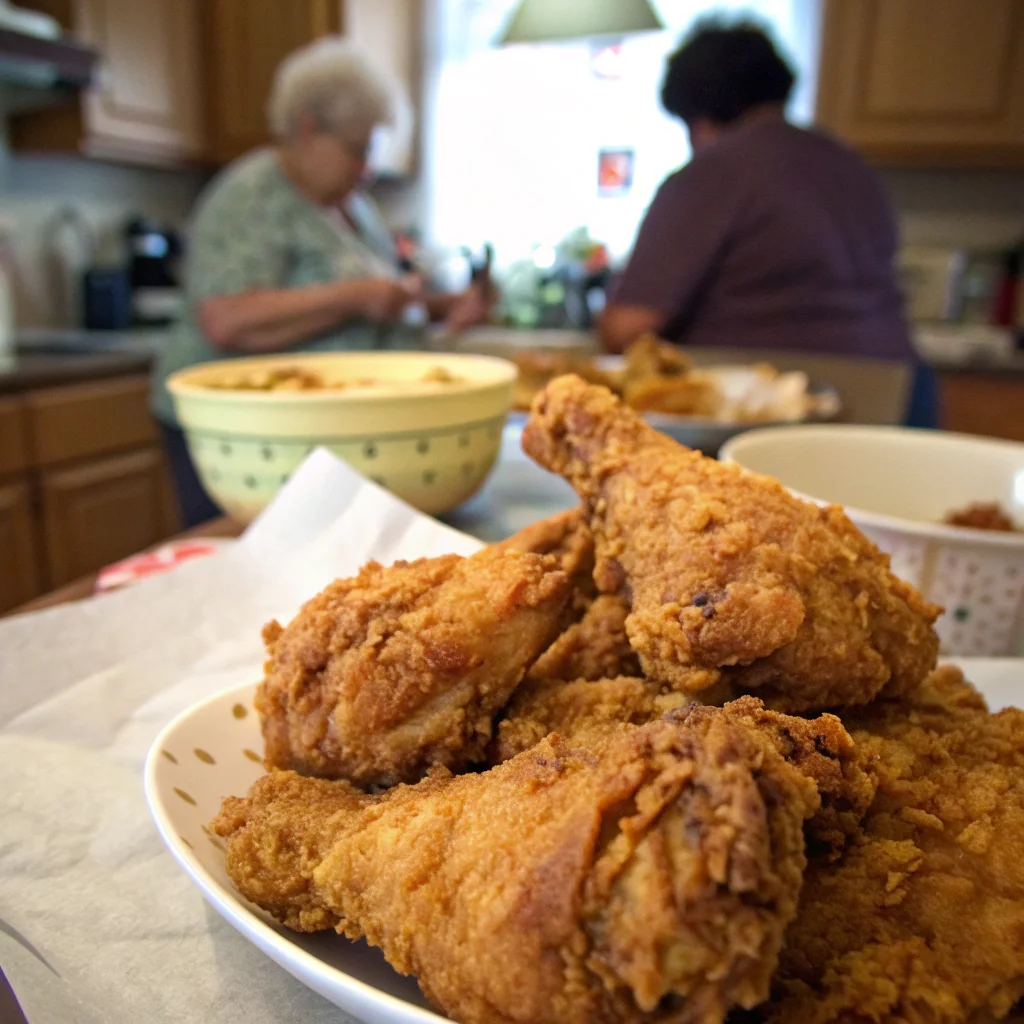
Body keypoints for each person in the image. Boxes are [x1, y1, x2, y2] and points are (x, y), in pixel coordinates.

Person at [151, 38, 493, 527]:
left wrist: (443, 306)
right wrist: (356, 297)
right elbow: (227, 320)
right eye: (358, 149)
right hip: (251, 446)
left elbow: (380, 297)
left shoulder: (353, 206)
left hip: (338, 441)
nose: (366, 166)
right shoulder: (250, 199)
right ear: (309, 129)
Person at [599, 20, 917, 370]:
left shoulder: (715, 170)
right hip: (903, 388)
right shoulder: (851, 164)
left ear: (700, 120)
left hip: (774, 391)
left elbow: (627, 326)